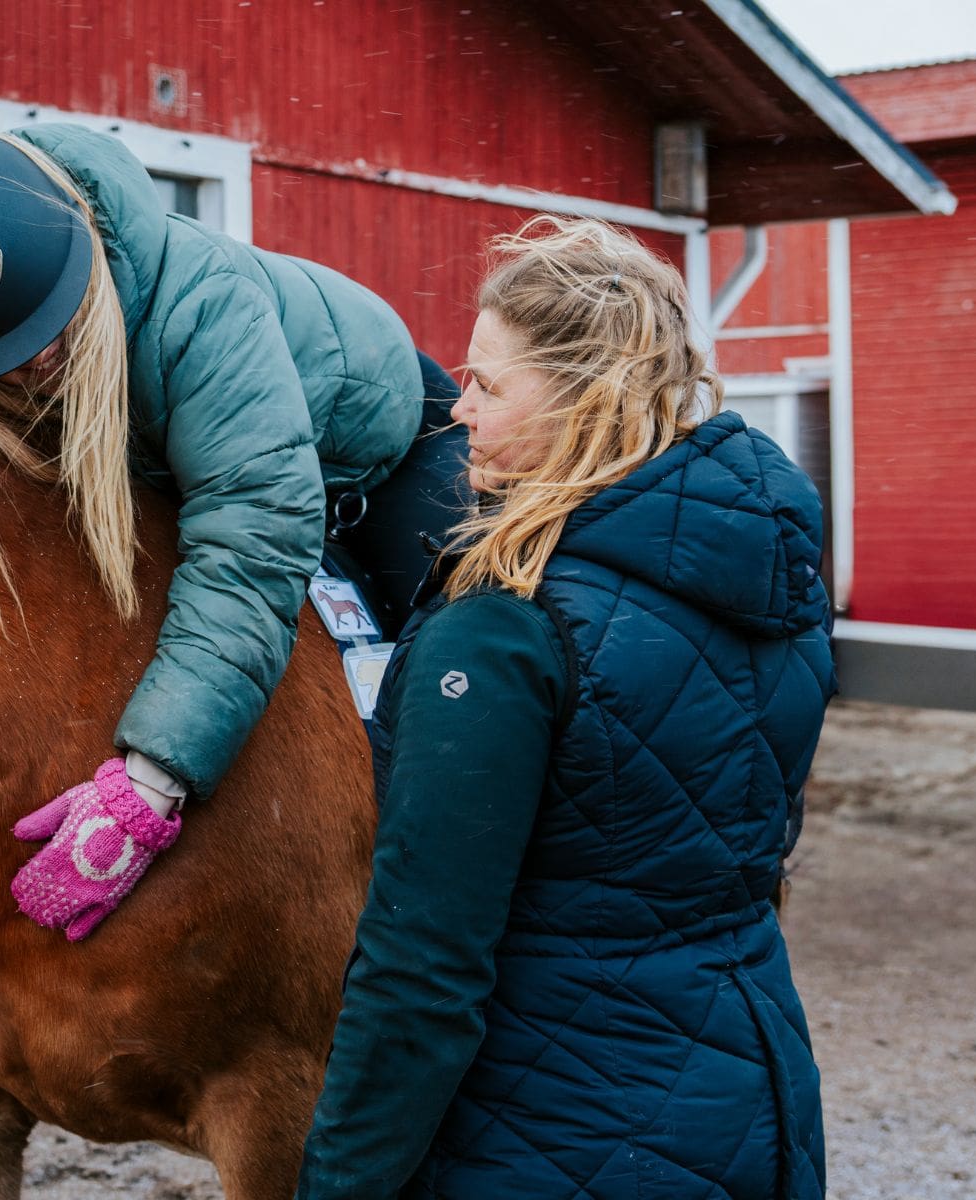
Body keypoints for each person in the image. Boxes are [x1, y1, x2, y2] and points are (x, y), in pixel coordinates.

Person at [0, 124, 460, 942]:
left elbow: (253, 535)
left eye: (50, 331)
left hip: (377, 448)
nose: (33, 366)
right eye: (3, 353)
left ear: (86, 263)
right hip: (180, 467)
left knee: (463, 654)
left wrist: (154, 780)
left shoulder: (200, 309)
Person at [294, 216, 835, 1199]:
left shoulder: (502, 635)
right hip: (752, 1092)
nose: (458, 411)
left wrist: (338, 1185)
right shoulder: (769, 582)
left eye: (488, 384)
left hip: (555, 1128)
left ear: (588, 400)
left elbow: (424, 972)